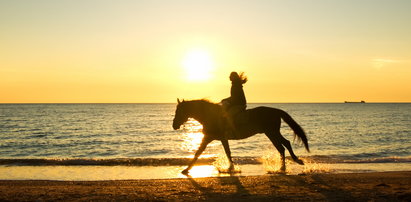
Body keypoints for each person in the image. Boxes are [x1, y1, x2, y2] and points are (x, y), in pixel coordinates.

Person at [221, 72, 248, 139]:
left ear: (233, 77)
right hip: (237, 103)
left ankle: (232, 132)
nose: (229, 77)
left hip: (239, 104)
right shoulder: (236, 84)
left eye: (230, 76)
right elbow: (233, 97)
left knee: (229, 115)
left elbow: (234, 97)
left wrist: (225, 100)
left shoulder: (236, 84)